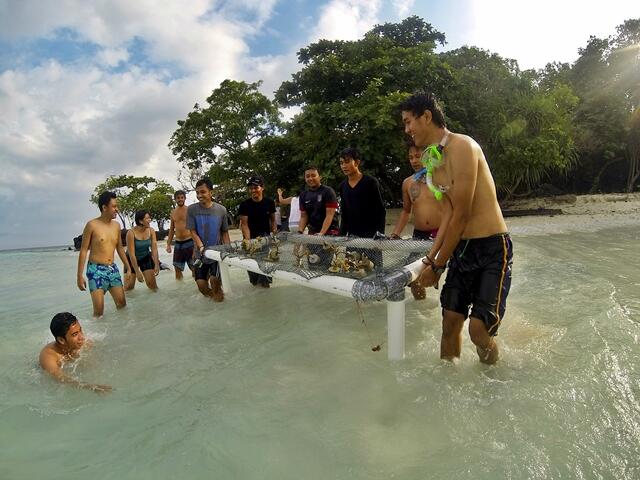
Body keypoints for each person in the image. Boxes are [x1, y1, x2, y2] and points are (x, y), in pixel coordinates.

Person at [400, 92, 513, 364]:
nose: (407, 130)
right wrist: (430, 258)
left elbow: (462, 214)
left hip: (491, 247)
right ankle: (445, 388)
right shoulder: (433, 161)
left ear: (426, 116)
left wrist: (438, 266)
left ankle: (492, 380)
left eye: (408, 122)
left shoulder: (463, 146)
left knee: (478, 330)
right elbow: (448, 214)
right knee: (450, 322)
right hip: (462, 249)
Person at [390, 140, 452, 300]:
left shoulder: (440, 178)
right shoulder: (407, 183)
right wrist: (396, 233)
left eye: (417, 156)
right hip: (419, 236)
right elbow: (405, 211)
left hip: (441, 234)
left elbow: (452, 208)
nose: (414, 161)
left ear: (427, 156)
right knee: (413, 278)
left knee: (450, 274)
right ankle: (422, 307)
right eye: (410, 157)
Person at [77, 191, 128, 317]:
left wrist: (129, 266)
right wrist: (79, 275)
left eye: (117, 206)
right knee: (99, 310)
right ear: (104, 207)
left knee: (122, 304)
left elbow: (120, 248)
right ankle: (96, 335)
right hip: (95, 270)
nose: (117, 209)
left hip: (112, 269)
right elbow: (83, 250)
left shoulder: (116, 226)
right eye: (114, 206)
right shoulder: (92, 225)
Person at [39, 312, 112, 394]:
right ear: (61, 340)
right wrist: (89, 387)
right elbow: (60, 377)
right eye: (75, 334)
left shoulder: (84, 343)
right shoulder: (49, 356)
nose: (82, 337)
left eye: (80, 330)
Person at [187, 178, 231, 301]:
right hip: (199, 254)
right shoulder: (192, 210)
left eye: (203, 192)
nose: (199, 195)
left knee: (214, 280)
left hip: (216, 253)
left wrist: (228, 251)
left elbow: (224, 232)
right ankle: (217, 302)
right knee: (201, 285)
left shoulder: (221, 210)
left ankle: (219, 302)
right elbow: (192, 231)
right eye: (197, 193)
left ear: (211, 192)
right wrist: (200, 246)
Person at [338, 147, 386, 238]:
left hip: (371, 237)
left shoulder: (370, 182)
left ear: (357, 162)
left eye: (347, 162)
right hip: (352, 238)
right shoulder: (342, 186)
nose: (344, 166)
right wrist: (341, 235)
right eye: (341, 163)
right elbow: (345, 214)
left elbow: (380, 210)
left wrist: (380, 233)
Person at [238, 175, 277, 287]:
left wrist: (274, 235)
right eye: (251, 188)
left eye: (256, 187)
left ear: (262, 188)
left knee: (265, 277)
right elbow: (244, 225)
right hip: (250, 239)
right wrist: (248, 241)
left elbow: (273, 220)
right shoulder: (244, 205)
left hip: (266, 240)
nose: (253, 190)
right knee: (254, 279)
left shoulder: (269, 202)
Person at [297, 165, 340, 236]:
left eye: (313, 175)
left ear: (320, 177)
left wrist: (321, 233)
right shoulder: (303, 195)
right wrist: (299, 231)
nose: (310, 178)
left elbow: (330, 215)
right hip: (313, 232)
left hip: (330, 233)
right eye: (307, 176)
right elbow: (304, 216)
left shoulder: (328, 191)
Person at [125, 210, 160, 291]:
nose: (150, 220)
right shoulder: (131, 233)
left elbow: (154, 249)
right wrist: (137, 271)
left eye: (149, 218)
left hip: (145, 257)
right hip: (131, 259)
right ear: (140, 221)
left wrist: (156, 264)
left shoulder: (151, 231)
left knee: (152, 286)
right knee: (129, 287)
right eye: (147, 218)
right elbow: (131, 254)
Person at [166, 190, 194, 280]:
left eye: (182, 197)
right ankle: (180, 288)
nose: (180, 199)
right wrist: (168, 244)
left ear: (185, 198)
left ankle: (198, 289)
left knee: (193, 266)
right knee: (177, 267)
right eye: (178, 198)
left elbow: (195, 226)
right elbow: (171, 229)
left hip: (190, 241)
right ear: (175, 199)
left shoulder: (189, 210)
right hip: (178, 243)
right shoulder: (173, 212)